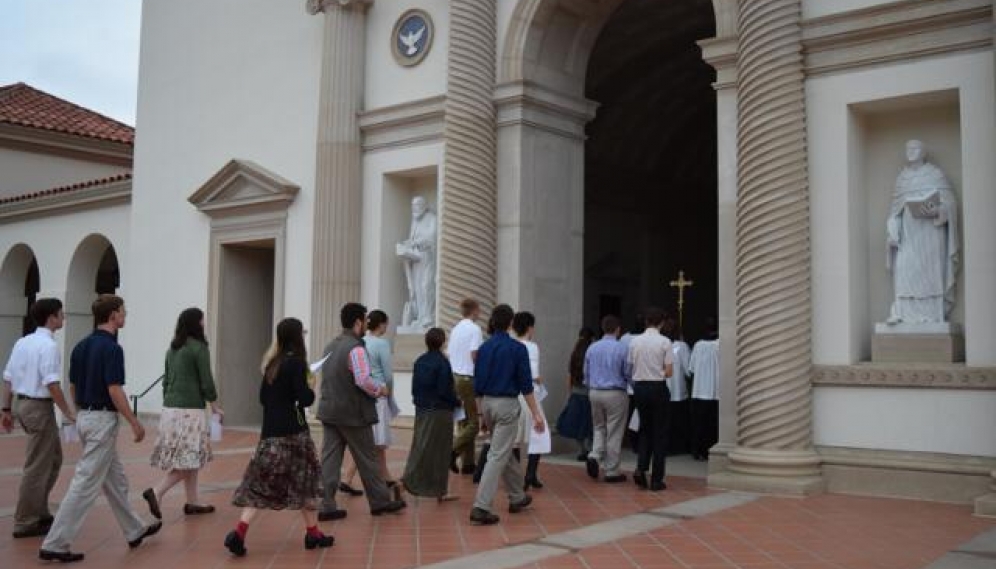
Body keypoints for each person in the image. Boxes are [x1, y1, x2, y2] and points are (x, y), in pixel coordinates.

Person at [40, 295, 161, 563]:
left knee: (114, 478)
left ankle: (134, 529)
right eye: (123, 312)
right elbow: (114, 389)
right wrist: (134, 422)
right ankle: (56, 542)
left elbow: (72, 385)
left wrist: (77, 413)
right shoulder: (113, 349)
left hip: (85, 416)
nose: (125, 315)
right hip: (101, 421)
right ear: (113, 315)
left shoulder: (80, 346)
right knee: (85, 483)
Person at [224, 318, 333, 556]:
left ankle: (240, 532)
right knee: (305, 483)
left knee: (261, 485)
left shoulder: (272, 363)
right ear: (297, 336)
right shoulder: (296, 364)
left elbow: (263, 399)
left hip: (270, 434)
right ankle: (313, 534)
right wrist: (310, 384)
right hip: (294, 435)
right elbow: (305, 399)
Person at [316, 303, 405, 520]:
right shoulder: (355, 348)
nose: (367, 323)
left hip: (329, 410)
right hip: (353, 413)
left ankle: (326, 505)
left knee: (329, 460)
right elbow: (363, 379)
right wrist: (380, 389)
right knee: (368, 459)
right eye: (365, 320)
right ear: (357, 322)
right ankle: (380, 502)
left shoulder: (330, 345)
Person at [2, 298, 75, 539]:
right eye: (60, 314)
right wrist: (68, 412)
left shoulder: (23, 342)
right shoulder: (48, 346)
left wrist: (6, 409)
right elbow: (51, 383)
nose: (63, 317)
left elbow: (9, 377)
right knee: (37, 465)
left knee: (53, 459)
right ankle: (25, 520)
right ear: (51, 317)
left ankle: (39, 511)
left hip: (24, 403)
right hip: (38, 406)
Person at [469, 304, 544, 525]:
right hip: (507, 405)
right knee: (498, 455)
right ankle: (481, 506)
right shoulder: (517, 349)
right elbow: (525, 385)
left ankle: (517, 496)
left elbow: (477, 383)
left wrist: (481, 413)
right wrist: (536, 413)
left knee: (502, 450)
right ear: (511, 323)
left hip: (488, 404)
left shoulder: (484, 348)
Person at [148, 307, 223, 518]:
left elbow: (166, 381)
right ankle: (156, 491)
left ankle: (193, 501)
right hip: (191, 410)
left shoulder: (173, 349)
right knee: (190, 459)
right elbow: (206, 381)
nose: (204, 324)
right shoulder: (199, 348)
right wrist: (215, 404)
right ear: (195, 324)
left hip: (170, 409)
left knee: (189, 457)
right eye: (202, 320)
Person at [886, 139, 959, 325]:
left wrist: (938, 211)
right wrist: (893, 232)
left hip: (931, 234)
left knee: (930, 273)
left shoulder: (935, 174)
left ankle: (933, 315)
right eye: (908, 148)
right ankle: (901, 312)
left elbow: (949, 203)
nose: (910, 151)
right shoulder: (902, 178)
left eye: (915, 147)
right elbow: (894, 212)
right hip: (908, 235)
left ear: (923, 152)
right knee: (905, 269)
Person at [341, 310, 401, 499]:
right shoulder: (381, 343)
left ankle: (386, 476)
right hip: (378, 392)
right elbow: (388, 373)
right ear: (382, 324)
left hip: (364, 393)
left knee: (376, 441)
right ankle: (348, 478)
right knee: (374, 440)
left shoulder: (361, 342)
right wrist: (389, 391)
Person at [401, 327, 461, 501]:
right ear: (442, 342)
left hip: (421, 409)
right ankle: (420, 486)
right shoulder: (442, 362)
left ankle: (420, 485)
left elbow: (414, 388)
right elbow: (444, 391)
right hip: (439, 412)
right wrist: (457, 402)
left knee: (419, 447)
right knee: (440, 452)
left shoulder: (420, 360)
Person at [628, 307, 674, 491]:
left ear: (646, 322)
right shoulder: (665, 342)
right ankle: (656, 479)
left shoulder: (635, 341)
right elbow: (669, 371)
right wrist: (658, 372)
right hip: (657, 387)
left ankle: (641, 468)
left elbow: (630, 366)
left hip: (639, 387)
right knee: (660, 433)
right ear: (661, 322)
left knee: (645, 430)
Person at [583, 315, 630, 483]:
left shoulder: (592, 347)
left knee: (599, 427)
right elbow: (627, 372)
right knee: (614, 431)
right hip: (615, 392)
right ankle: (611, 470)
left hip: (594, 391)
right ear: (618, 329)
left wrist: (590, 384)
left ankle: (594, 455)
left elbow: (586, 372)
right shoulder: (622, 348)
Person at [512, 311, 549, 490]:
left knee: (516, 437)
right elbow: (533, 373)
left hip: (512, 395)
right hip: (529, 394)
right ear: (529, 328)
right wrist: (539, 381)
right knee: (540, 433)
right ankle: (530, 474)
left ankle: (516, 476)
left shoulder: (511, 345)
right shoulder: (532, 347)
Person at [449, 298, 483, 475]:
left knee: (463, 421)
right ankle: (451, 451)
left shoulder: (455, 329)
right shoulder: (474, 329)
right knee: (473, 424)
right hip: (467, 378)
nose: (480, 313)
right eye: (479, 309)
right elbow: (475, 354)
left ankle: (468, 463)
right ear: (474, 310)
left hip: (454, 377)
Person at [396, 196, 437, 330]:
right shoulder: (415, 220)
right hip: (416, 260)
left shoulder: (432, 218)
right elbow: (413, 238)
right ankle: (420, 316)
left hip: (427, 257)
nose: (415, 208)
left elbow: (432, 237)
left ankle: (428, 317)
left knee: (426, 286)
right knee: (417, 288)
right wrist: (407, 244)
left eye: (417, 205)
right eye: (413, 206)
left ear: (424, 206)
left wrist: (416, 242)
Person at [555, 327, 595, 462]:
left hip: (576, 391)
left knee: (577, 423)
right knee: (590, 423)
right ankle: (591, 449)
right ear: (592, 338)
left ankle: (582, 450)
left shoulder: (575, 353)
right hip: (590, 391)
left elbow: (570, 375)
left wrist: (570, 391)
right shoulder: (592, 351)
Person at [688, 318, 719, 461]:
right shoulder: (721, 345)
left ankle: (697, 450)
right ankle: (709, 451)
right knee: (712, 425)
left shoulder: (697, 346)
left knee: (699, 424)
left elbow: (691, 369)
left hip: (699, 391)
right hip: (715, 392)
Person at [662, 314, 691, 456]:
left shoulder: (660, 343)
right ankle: (677, 446)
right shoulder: (681, 346)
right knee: (678, 421)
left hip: (662, 388)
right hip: (678, 390)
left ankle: (665, 447)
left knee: (665, 421)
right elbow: (688, 369)